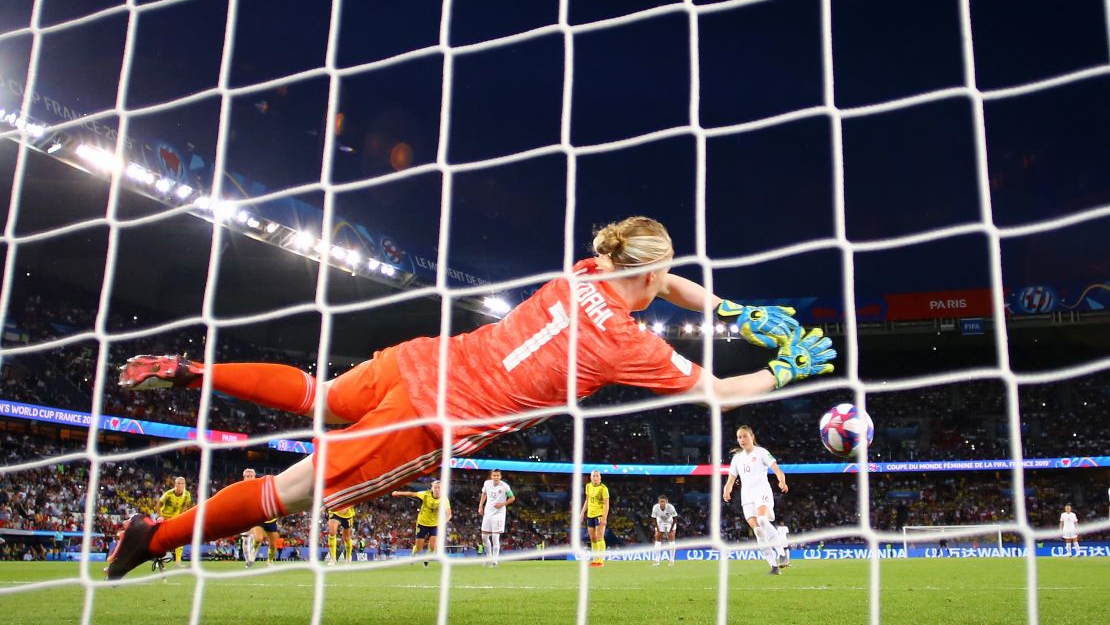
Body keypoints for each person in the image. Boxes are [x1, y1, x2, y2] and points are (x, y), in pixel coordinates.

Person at [105, 215, 835, 579]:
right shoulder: (627, 343)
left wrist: (732, 310)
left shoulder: (585, 271)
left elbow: (661, 275)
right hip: (431, 421)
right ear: (644, 277)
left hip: (423, 360)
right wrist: (786, 372)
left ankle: (193, 370)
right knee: (292, 492)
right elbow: (716, 393)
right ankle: (153, 538)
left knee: (322, 394)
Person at [723, 425, 788, 575]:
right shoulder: (737, 458)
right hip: (747, 497)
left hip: (762, 492)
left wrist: (781, 481)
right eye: (739, 437)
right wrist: (727, 490)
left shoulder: (761, 453)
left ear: (752, 437)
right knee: (758, 531)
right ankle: (774, 567)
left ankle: (782, 553)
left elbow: (777, 469)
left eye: (745, 436)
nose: (742, 440)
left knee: (763, 521)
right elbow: (731, 479)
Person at [391, 481, 451, 567]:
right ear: (432, 488)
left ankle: (426, 559)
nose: (437, 489)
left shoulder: (444, 499)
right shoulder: (425, 494)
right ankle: (413, 555)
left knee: (433, 547)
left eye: (439, 488)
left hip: (435, 525)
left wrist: (443, 522)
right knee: (419, 547)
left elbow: (449, 514)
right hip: (422, 523)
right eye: (435, 487)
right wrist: (399, 493)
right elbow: (412, 494)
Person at [477, 469, 515, 567]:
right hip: (488, 512)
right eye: (494, 475)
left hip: (499, 513)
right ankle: (489, 557)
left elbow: (512, 498)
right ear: (491, 476)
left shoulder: (505, 486)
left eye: (498, 475)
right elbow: (484, 494)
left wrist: (503, 504)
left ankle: (495, 561)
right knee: (484, 536)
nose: (496, 477)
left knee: (495, 537)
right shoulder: (487, 484)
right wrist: (481, 506)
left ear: (500, 476)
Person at [157, 477, 192, 567]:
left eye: (182, 483)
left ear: (185, 485)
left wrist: (182, 515)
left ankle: (178, 562)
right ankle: (160, 559)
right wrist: (160, 516)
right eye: (178, 483)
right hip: (165, 518)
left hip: (176, 518)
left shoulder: (187, 494)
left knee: (180, 539)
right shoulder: (168, 494)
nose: (180, 485)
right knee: (163, 540)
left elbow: (186, 506)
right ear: (175, 485)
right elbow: (159, 503)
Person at [580, 470, 610, 567]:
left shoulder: (603, 488)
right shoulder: (588, 486)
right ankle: (594, 559)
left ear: (600, 477)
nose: (595, 477)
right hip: (590, 515)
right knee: (593, 538)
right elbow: (587, 500)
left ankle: (600, 560)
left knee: (599, 536)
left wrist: (604, 518)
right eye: (594, 476)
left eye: (597, 476)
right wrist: (582, 513)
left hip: (599, 515)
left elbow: (606, 504)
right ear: (591, 477)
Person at [651, 495, 678, 566]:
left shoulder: (671, 507)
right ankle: (657, 561)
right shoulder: (655, 507)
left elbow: (675, 518)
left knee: (671, 539)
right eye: (661, 502)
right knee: (657, 539)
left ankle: (672, 561)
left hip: (670, 523)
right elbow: (654, 518)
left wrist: (671, 529)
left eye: (664, 502)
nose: (662, 503)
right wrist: (657, 528)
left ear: (667, 502)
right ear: (658, 502)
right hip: (660, 523)